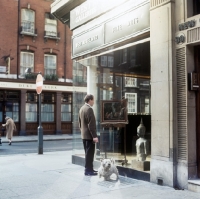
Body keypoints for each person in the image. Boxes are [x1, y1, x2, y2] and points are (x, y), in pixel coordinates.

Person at [78, 94, 99, 176]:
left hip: (84, 135)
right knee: (90, 154)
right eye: (93, 100)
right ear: (90, 100)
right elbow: (91, 125)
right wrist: (94, 136)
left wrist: (83, 132)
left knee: (88, 153)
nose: (93, 102)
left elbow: (79, 123)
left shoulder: (82, 108)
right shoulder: (89, 109)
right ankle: (88, 170)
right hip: (89, 136)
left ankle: (90, 169)